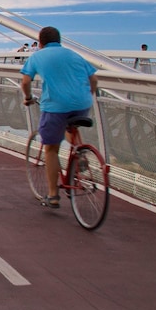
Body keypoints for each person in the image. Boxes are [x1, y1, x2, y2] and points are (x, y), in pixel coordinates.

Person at [20, 26, 98, 209]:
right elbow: (93, 80)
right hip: (82, 103)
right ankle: (80, 152)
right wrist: (87, 97)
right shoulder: (74, 55)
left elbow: (25, 81)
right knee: (71, 127)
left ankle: (53, 195)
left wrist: (28, 98)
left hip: (55, 106)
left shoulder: (37, 56)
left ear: (40, 43)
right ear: (59, 40)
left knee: (51, 149)